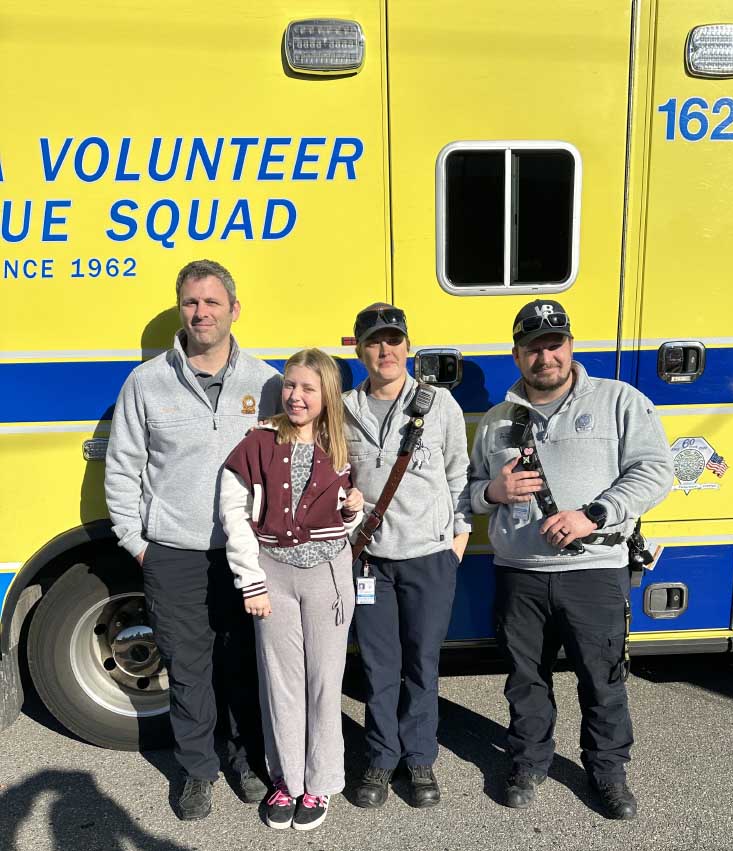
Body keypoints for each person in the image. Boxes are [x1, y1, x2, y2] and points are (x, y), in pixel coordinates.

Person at [469, 299, 673, 819]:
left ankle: (607, 773)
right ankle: (528, 763)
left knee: (602, 679)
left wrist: (595, 514)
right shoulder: (496, 421)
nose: (545, 357)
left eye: (554, 344)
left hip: (594, 571)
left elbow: (654, 472)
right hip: (520, 574)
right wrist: (491, 492)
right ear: (516, 355)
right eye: (533, 347)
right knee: (525, 679)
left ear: (571, 346)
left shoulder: (619, 401)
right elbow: (467, 490)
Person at [104, 259, 282, 820]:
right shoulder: (147, 382)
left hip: (245, 552)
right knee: (187, 666)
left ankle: (246, 760)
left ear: (234, 309)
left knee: (245, 662)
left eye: (211, 302)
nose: (200, 312)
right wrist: (137, 541)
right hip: (173, 552)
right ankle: (199, 770)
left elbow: (290, 460)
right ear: (180, 310)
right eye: (190, 303)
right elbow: (122, 467)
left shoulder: (268, 382)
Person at [219, 348, 363, 832]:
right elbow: (233, 515)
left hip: (328, 574)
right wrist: (251, 581)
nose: (296, 396)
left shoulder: (342, 445)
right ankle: (286, 781)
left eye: (308, 388)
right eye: (290, 386)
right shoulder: (258, 442)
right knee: (280, 683)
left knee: (324, 681)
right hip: (272, 575)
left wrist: (353, 510)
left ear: (327, 395)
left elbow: (347, 511)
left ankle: (321, 781)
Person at [344, 303, 472, 809]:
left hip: (429, 557)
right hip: (370, 559)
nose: (385, 350)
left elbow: (460, 474)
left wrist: (456, 543)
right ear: (357, 349)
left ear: (407, 347)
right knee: (378, 666)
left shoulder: (437, 404)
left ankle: (419, 758)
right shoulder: (343, 407)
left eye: (394, 340)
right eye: (374, 341)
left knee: (422, 663)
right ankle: (380, 757)